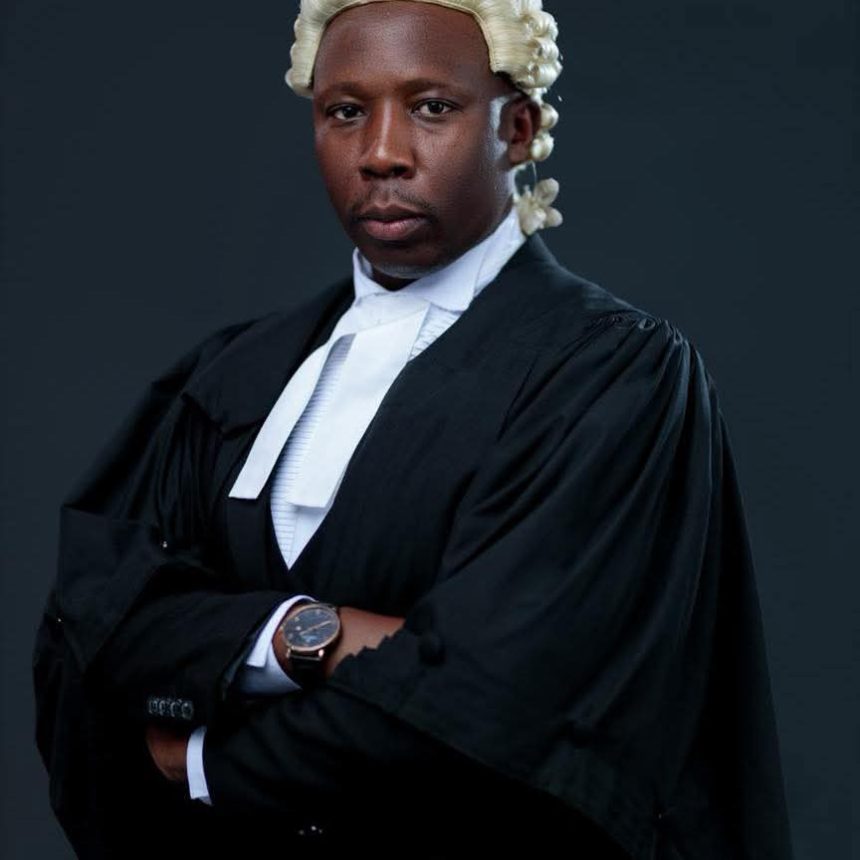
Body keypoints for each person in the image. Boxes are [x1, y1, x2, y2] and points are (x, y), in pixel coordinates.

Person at [32, 1, 794, 857]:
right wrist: (309, 635)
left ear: (516, 129)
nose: (381, 152)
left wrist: (211, 760)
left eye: (432, 107)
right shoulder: (236, 373)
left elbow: (498, 697)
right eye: (344, 111)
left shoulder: (612, 371)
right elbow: (96, 627)